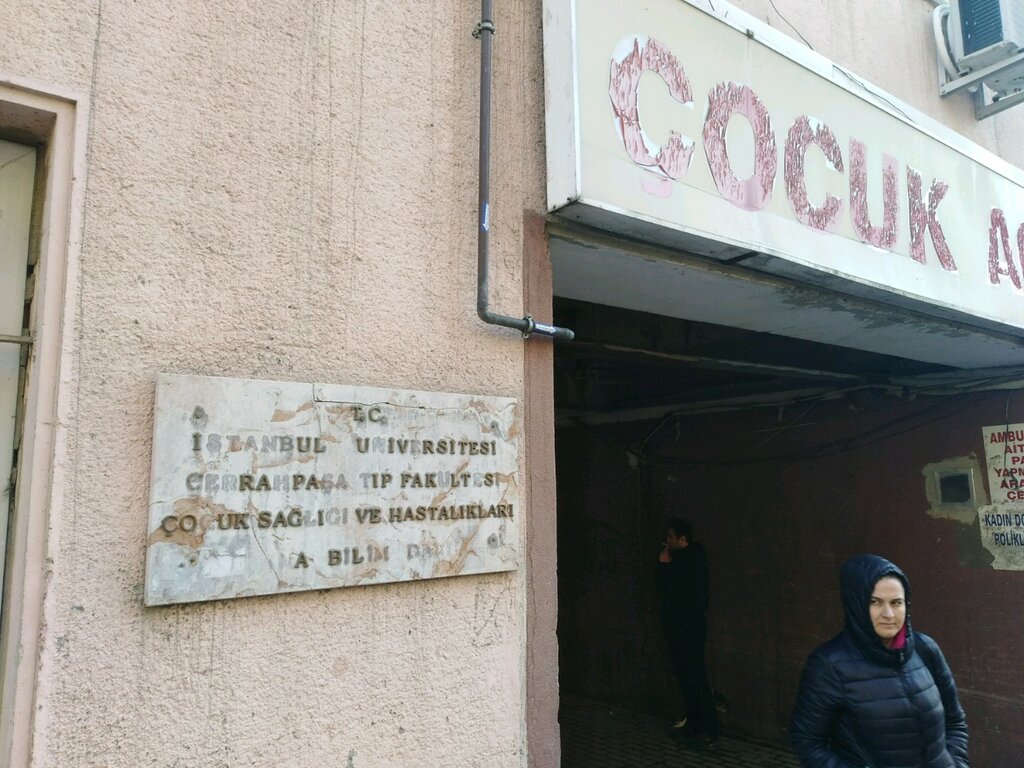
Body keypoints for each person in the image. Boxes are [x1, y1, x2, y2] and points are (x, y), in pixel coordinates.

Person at [791, 554, 969, 768]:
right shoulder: (829, 665)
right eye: (875, 602)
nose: (889, 614)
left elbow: (955, 721)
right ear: (856, 605)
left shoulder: (925, 648)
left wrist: (957, 764)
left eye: (896, 603)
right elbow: (808, 743)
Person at [656, 517, 719, 749]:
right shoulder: (679, 561)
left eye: (671, 537)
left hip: (688, 630)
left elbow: (690, 597)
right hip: (679, 629)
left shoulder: (691, 562)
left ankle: (708, 730)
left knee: (695, 678)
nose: (667, 541)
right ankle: (694, 725)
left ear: (682, 539)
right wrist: (663, 564)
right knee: (686, 677)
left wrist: (684, 624)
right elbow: (664, 590)